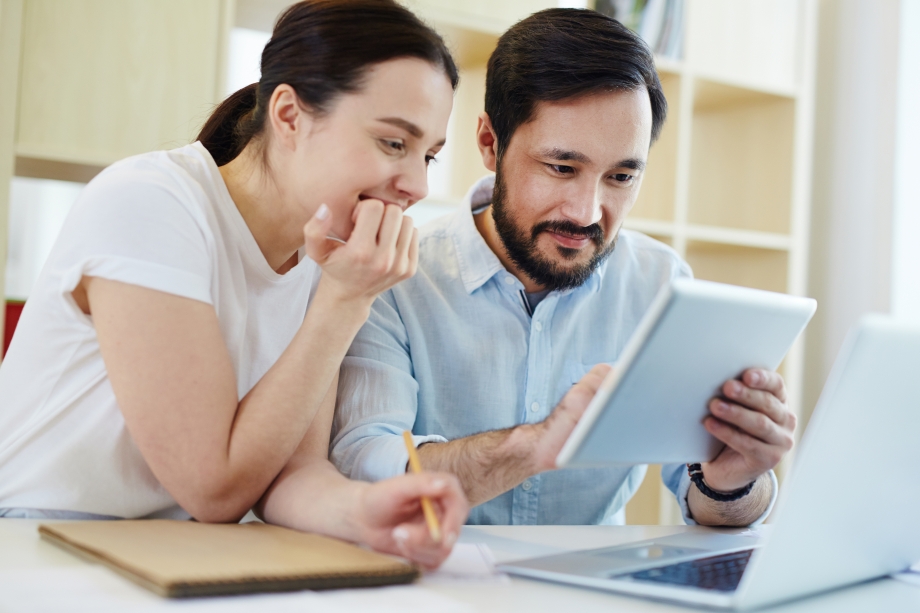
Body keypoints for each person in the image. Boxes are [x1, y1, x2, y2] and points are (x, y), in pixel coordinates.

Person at [0, 0, 468, 568]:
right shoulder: (151, 202)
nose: (417, 184)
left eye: (431, 156)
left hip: (175, 551)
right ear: (290, 115)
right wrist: (346, 302)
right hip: (34, 545)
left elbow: (289, 476)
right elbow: (214, 488)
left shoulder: (326, 259)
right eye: (394, 143)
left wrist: (365, 511)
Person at [331, 8, 796, 527]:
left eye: (620, 177)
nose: (586, 212)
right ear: (489, 142)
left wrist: (732, 481)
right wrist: (534, 445)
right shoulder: (394, 278)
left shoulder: (659, 283)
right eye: (562, 168)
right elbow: (363, 466)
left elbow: (708, 503)